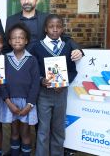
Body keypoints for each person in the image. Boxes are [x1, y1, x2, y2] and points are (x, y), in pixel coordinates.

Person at [31, 14, 78, 156]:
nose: (55, 29)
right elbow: (33, 70)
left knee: (58, 129)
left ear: (62, 29)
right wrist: (41, 80)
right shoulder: (37, 47)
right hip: (44, 94)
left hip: (61, 93)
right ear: (46, 29)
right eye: (51, 27)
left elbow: (72, 70)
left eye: (58, 27)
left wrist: (65, 83)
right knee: (43, 129)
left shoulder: (67, 46)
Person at [5, 0, 82, 61]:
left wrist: (77, 49)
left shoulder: (47, 18)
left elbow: (64, 36)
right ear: (20, 0)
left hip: (42, 65)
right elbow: (6, 45)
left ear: (37, 0)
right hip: (20, 64)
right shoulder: (11, 20)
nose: (26, 1)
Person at [0, 23, 40, 156]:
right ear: (9, 41)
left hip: (27, 103)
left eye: (21, 37)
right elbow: (1, 83)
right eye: (14, 38)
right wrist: (9, 103)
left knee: (25, 132)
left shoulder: (32, 60)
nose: (17, 40)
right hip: (10, 102)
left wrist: (29, 104)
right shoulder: (4, 59)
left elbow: (35, 84)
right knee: (14, 131)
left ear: (26, 40)